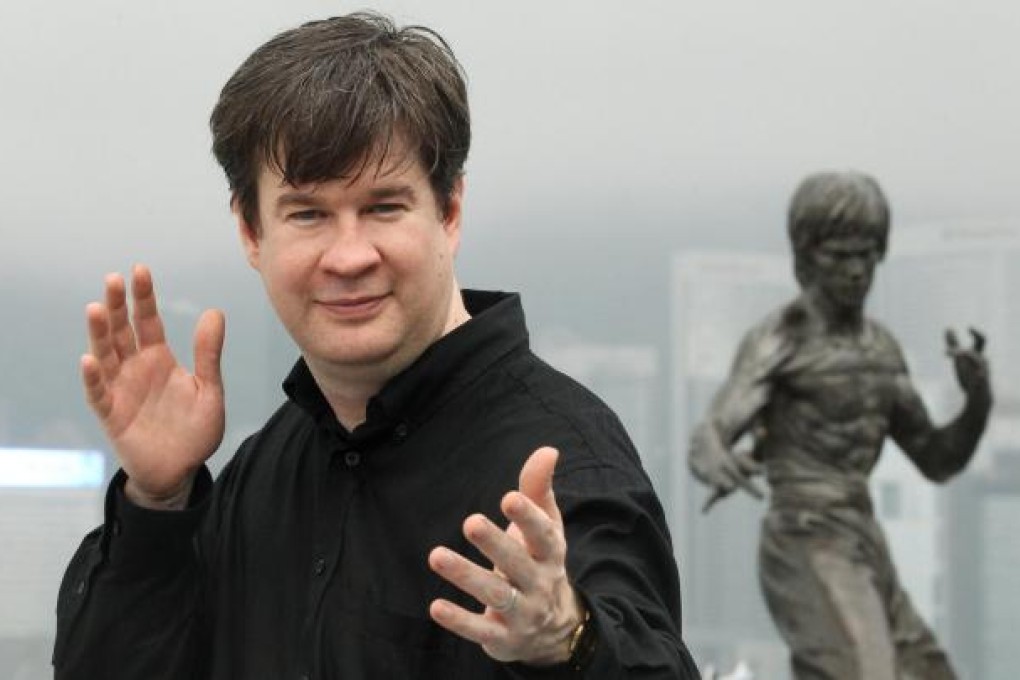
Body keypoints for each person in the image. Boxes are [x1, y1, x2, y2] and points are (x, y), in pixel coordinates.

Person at [53, 12, 700, 679]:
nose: (350, 255)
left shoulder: (561, 460)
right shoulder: (264, 471)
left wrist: (568, 639)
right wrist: (158, 503)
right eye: (308, 214)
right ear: (250, 232)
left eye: (384, 207)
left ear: (449, 211)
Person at [688, 170, 992, 679]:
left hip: (862, 536)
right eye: (839, 255)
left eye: (866, 254)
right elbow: (713, 430)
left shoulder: (882, 350)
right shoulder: (780, 340)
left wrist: (977, 397)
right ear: (806, 256)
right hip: (804, 536)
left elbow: (939, 460)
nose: (855, 270)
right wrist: (715, 459)